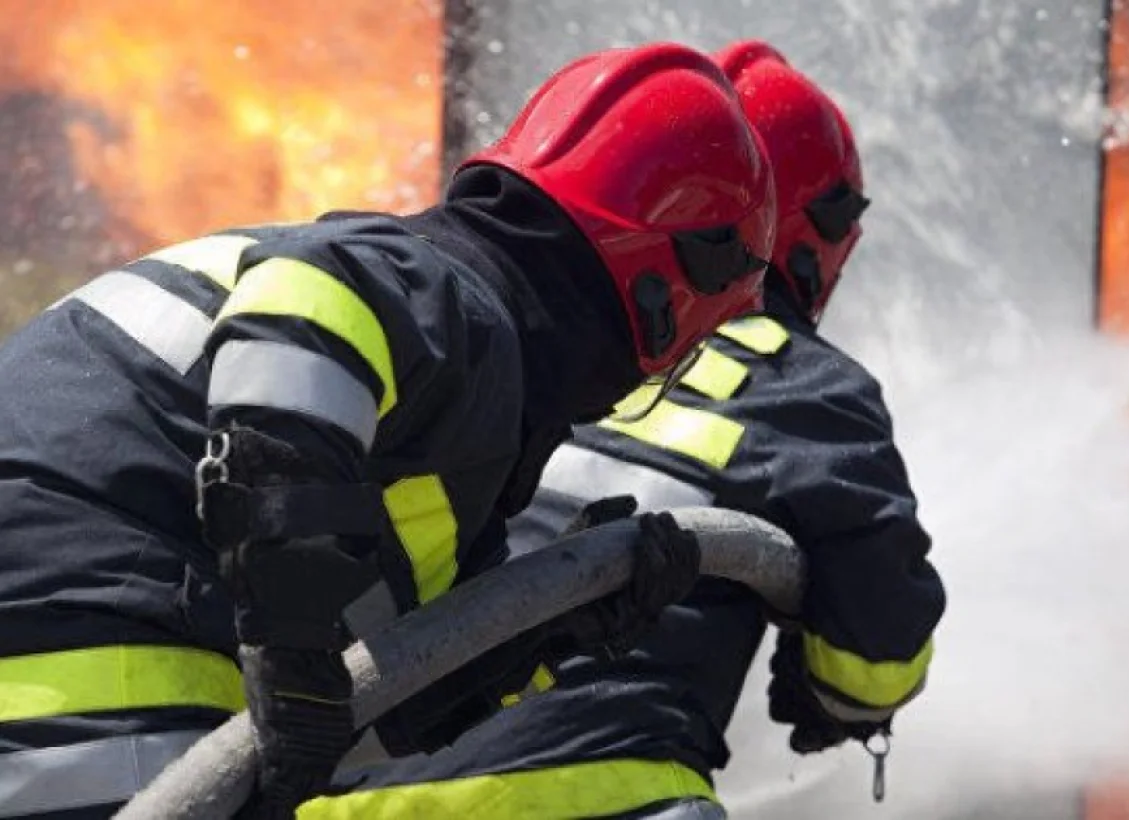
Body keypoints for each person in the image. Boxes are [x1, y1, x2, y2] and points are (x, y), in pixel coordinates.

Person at [0, 42, 778, 819]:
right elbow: (303, 319)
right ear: (672, 290)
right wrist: (291, 645)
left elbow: (364, 708)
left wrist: (554, 627)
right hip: (90, 659)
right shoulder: (444, 295)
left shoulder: (439, 401)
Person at [300, 40, 947, 820]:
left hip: (339, 796)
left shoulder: (497, 338)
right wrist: (828, 684)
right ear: (812, 234)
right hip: (593, 799)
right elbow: (873, 664)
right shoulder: (803, 385)